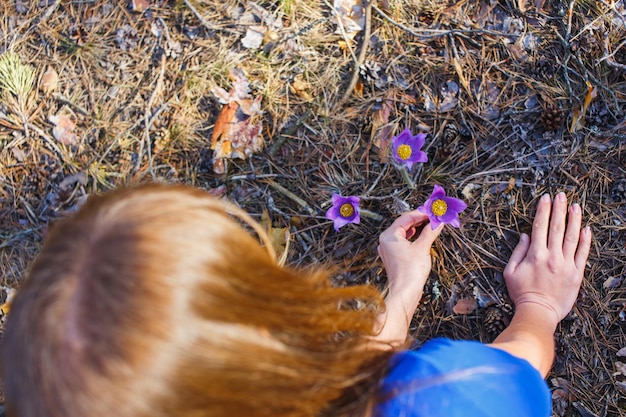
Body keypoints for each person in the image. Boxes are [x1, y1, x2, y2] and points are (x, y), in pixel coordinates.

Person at [0, 184, 591, 417]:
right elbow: (515, 374)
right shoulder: (439, 397)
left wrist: (404, 291)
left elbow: (340, 385)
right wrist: (538, 307)